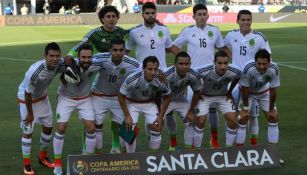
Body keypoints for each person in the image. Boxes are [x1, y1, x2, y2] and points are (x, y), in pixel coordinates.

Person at [67, 6, 128, 153]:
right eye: (108, 16)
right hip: (100, 86)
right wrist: (70, 55)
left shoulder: (123, 33)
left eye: (114, 16)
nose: (111, 19)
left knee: (126, 124)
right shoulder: (95, 34)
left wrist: (155, 24)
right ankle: (87, 151)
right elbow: (81, 45)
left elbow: (138, 32)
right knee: (92, 123)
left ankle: (122, 151)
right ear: (102, 19)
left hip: (119, 91)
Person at [169, 3, 231, 148]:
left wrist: (232, 58)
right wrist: (184, 62)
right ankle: (192, 144)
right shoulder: (187, 31)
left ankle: (214, 139)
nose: (202, 17)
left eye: (204, 14)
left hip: (211, 76)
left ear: (208, 16)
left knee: (212, 108)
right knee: (193, 110)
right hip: (193, 76)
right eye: (199, 15)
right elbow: (174, 47)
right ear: (194, 17)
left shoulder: (214, 30)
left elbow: (222, 47)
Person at [53, 44, 102, 175]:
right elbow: (53, 65)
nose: (86, 60)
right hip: (66, 98)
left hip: (84, 99)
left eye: (89, 57)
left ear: (92, 57)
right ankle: (57, 164)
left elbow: (109, 59)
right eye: (83, 57)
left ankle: (88, 159)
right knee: (61, 128)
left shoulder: (96, 64)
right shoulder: (66, 64)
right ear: (78, 57)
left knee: (91, 128)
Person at [224, 9, 272, 145]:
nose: (246, 22)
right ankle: (232, 146)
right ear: (237, 21)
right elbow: (223, 47)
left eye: (248, 20)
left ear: (251, 21)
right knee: (233, 116)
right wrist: (231, 56)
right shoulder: (231, 35)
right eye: (243, 20)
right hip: (234, 82)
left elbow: (268, 58)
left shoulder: (259, 37)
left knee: (253, 115)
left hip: (253, 84)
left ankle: (253, 145)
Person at [17, 42, 61, 175]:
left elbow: (71, 62)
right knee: (28, 131)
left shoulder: (60, 63)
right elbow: (27, 93)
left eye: (57, 56)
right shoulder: (35, 71)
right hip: (26, 100)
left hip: (42, 98)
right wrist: (30, 114)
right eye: (51, 56)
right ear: (45, 56)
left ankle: (42, 158)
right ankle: (27, 165)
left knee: (48, 128)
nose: (54, 58)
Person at [91, 39, 141, 154]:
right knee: (96, 125)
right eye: (115, 50)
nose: (118, 53)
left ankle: (119, 150)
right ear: (109, 50)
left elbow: (146, 70)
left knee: (124, 126)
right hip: (99, 95)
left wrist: (159, 75)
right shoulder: (100, 58)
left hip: (118, 97)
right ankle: (97, 153)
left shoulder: (132, 63)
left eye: (121, 50)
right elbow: (83, 61)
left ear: (125, 50)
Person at [118, 56, 171, 153]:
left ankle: (152, 157)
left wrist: (161, 116)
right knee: (129, 130)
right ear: (143, 69)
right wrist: (127, 116)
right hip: (132, 103)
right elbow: (121, 96)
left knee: (156, 127)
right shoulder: (133, 79)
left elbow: (167, 96)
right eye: (149, 69)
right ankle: (129, 157)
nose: (153, 72)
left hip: (149, 103)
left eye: (155, 69)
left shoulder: (162, 80)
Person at [194, 50, 241, 148]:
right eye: (219, 63)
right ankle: (196, 150)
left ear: (229, 62)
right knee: (201, 121)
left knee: (233, 121)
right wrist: (197, 92)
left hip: (223, 96)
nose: (223, 66)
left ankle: (228, 149)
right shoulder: (204, 70)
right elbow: (192, 76)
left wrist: (230, 91)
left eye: (225, 63)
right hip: (205, 97)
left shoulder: (235, 71)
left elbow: (238, 77)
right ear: (214, 62)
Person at [236, 49, 280, 150]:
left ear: (269, 62)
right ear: (255, 61)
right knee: (243, 119)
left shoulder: (274, 68)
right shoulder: (248, 68)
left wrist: (272, 109)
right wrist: (245, 108)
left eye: (265, 64)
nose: (261, 66)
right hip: (248, 93)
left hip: (264, 92)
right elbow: (245, 89)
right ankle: (239, 151)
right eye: (259, 64)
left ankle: (273, 152)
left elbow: (273, 89)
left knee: (273, 118)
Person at [164, 51, 202, 150]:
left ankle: (189, 149)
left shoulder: (194, 75)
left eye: (186, 64)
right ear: (175, 64)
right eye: (181, 64)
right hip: (163, 100)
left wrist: (191, 111)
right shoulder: (166, 75)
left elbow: (197, 92)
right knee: (153, 124)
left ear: (190, 64)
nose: (184, 66)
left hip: (180, 98)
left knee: (189, 121)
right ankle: (172, 145)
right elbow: (156, 92)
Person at [126, 2, 173, 71]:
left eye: (153, 13)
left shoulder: (165, 30)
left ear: (156, 14)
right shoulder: (134, 32)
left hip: (162, 71)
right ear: (142, 15)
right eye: (147, 13)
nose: (150, 15)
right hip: (142, 72)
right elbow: (126, 50)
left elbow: (169, 48)